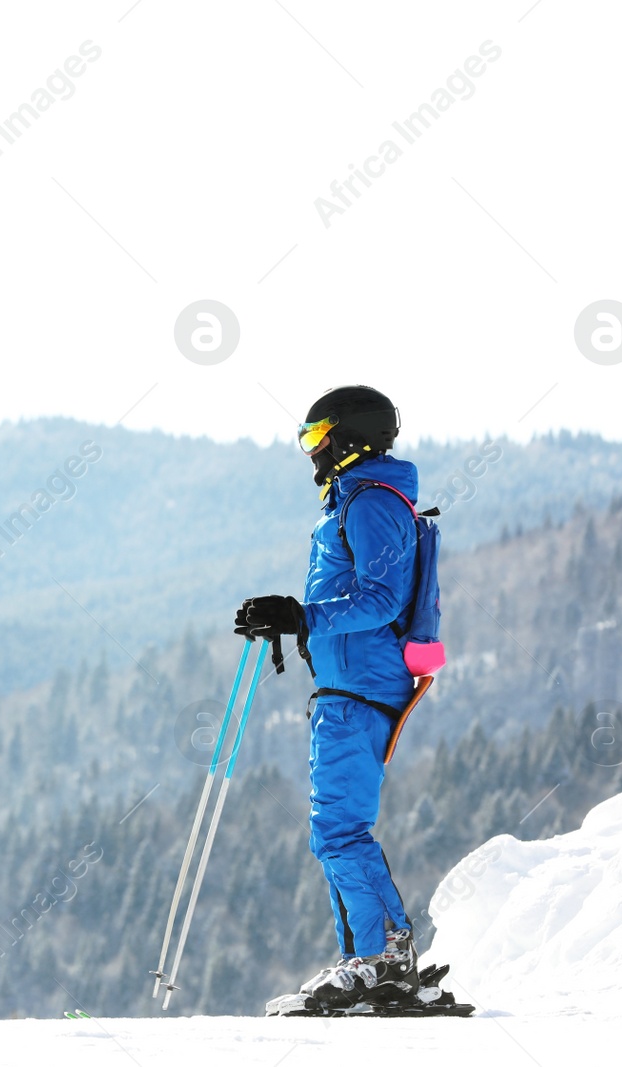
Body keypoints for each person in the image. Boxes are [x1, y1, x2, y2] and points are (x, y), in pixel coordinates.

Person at [234, 384, 422, 1010]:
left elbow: (382, 598)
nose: (311, 454)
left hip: (362, 687)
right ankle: (382, 956)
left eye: (317, 438)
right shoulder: (357, 501)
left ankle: (377, 960)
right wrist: (296, 620)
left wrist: (302, 616)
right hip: (351, 685)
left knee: (338, 830)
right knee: (337, 829)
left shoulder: (370, 503)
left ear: (349, 438)